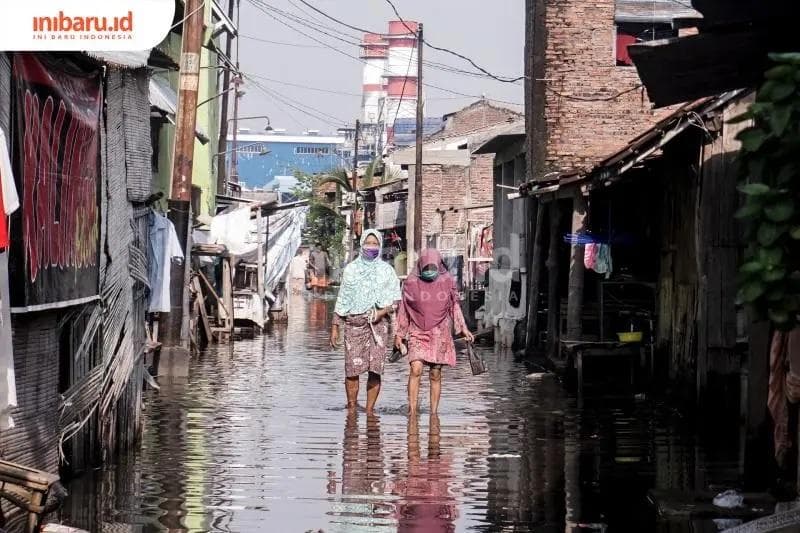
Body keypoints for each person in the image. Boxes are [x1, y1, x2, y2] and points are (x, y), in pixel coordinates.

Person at [395, 248, 474, 416]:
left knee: (435, 373)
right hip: (417, 330)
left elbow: (454, 306)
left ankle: (433, 414)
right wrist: (399, 334)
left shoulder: (446, 283)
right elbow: (404, 309)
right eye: (426, 268)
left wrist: (463, 328)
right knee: (415, 369)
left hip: (440, 332)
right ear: (420, 266)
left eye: (433, 268)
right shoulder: (410, 284)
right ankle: (412, 411)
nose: (430, 271)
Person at [330, 229, 401, 414]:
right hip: (354, 324)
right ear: (361, 245)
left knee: (375, 369)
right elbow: (343, 298)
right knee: (352, 370)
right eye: (368, 243)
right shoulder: (351, 270)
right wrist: (335, 327)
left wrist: (382, 312)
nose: (372, 247)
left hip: (379, 326)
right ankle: (352, 407)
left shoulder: (387, 271)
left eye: (375, 243)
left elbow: (395, 301)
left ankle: (370, 411)